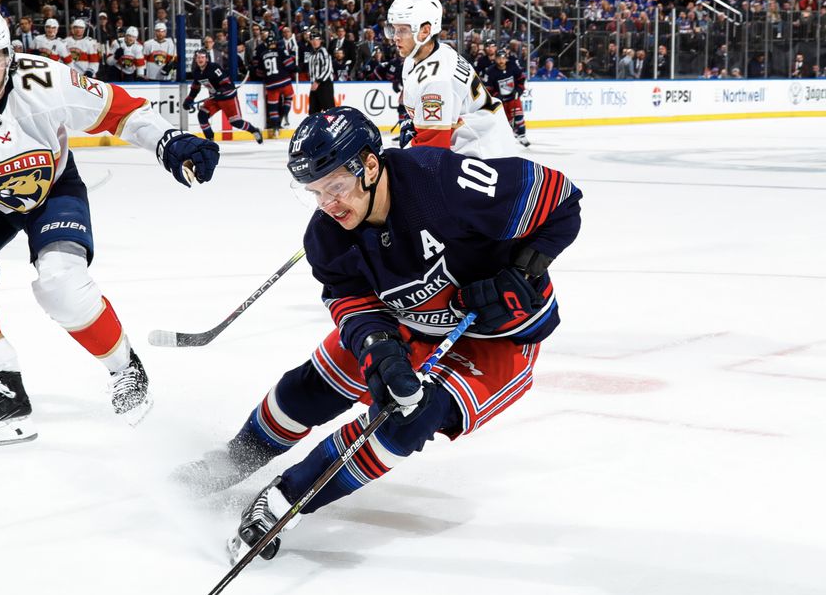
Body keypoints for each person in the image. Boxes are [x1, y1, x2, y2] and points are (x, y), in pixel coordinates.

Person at [171, 107, 581, 562]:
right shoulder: (326, 239)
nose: (328, 204)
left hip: (497, 339)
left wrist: (522, 270)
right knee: (315, 385)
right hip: (410, 322)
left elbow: (561, 198)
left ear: (369, 166)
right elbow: (353, 305)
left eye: (336, 187)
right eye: (316, 192)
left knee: (410, 417)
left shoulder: (442, 182)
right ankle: (234, 459)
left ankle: (288, 499)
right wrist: (379, 351)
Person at [0, 3, 220, 445]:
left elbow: (119, 110)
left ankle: (124, 368)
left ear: (10, 53)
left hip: (52, 189)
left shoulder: (47, 80)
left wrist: (168, 140)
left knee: (60, 284)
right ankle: (5, 388)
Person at [385, 0, 515, 157]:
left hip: (483, 152)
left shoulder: (436, 80)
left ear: (425, 31)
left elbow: (431, 154)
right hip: (483, 137)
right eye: (393, 29)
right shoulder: (424, 55)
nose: (395, 37)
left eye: (402, 30)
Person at [184, 49, 262, 144]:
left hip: (227, 97)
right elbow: (195, 88)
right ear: (195, 59)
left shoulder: (214, 67)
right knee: (202, 115)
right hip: (214, 98)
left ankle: (254, 130)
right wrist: (189, 100)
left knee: (235, 122)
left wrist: (222, 90)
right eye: (198, 57)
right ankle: (210, 140)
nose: (200, 59)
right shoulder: (196, 72)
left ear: (207, 59)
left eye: (202, 57)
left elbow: (226, 83)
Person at [481, 49, 529, 146]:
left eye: (503, 58)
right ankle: (513, 133)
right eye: (499, 58)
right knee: (507, 120)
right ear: (495, 59)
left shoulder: (513, 66)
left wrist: (518, 90)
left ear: (506, 58)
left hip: (513, 98)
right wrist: (496, 95)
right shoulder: (490, 71)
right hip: (501, 101)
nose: (501, 61)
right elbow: (487, 87)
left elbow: (521, 79)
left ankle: (522, 135)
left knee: (519, 116)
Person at [252, 34, 295, 136]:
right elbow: (289, 65)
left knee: (273, 107)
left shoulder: (262, 55)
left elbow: (259, 73)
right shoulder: (280, 51)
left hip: (271, 84)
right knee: (289, 96)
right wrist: (295, 67)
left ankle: (275, 128)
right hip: (284, 81)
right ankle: (284, 113)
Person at [306, 29, 333, 114]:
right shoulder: (312, 54)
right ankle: (314, 127)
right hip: (315, 84)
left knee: (328, 110)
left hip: (324, 84)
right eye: (312, 40)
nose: (315, 42)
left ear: (320, 40)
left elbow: (328, 68)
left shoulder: (323, 51)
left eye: (317, 39)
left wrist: (318, 81)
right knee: (313, 111)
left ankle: (332, 126)